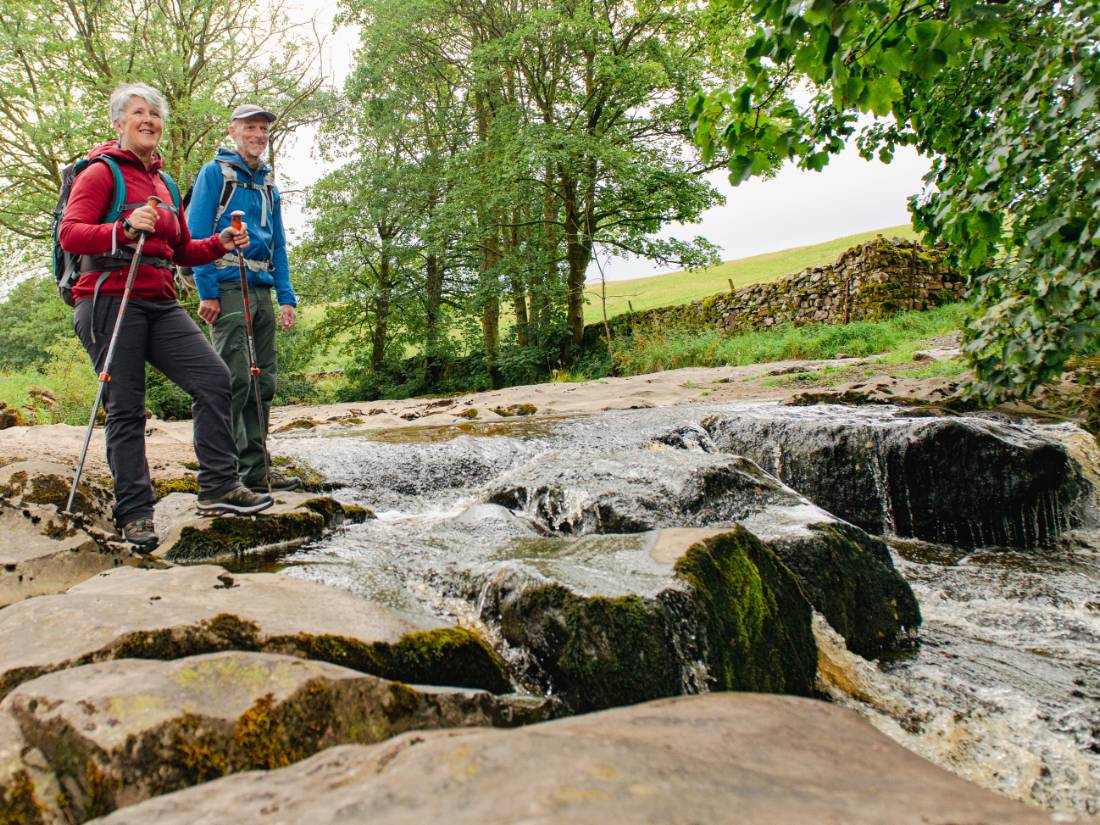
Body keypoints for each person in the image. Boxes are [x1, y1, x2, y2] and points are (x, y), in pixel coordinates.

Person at [60, 83, 273, 551]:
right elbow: (71, 234)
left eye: (155, 115)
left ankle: (218, 486)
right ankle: (134, 513)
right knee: (127, 408)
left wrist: (220, 245)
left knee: (215, 378)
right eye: (139, 113)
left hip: (158, 298)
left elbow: (181, 251)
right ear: (119, 123)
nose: (149, 121)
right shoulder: (100, 173)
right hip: (109, 299)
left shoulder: (165, 183)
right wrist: (122, 227)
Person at [188, 103, 300, 493]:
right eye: (251, 128)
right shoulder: (214, 174)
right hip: (226, 282)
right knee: (233, 379)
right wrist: (208, 292)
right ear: (233, 131)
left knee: (262, 382)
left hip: (262, 288)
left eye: (263, 130)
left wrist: (287, 296)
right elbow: (195, 236)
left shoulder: (269, 185)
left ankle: (256, 472)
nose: (258, 136)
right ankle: (229, 473)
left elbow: (280, 244)